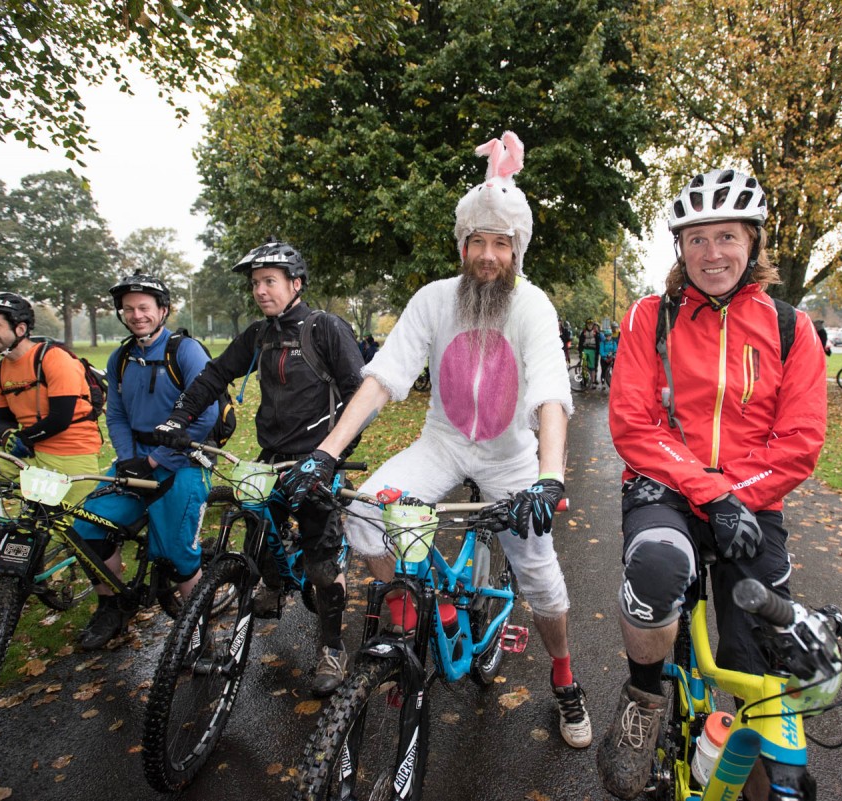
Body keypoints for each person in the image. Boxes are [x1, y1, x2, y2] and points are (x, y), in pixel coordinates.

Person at [279, 131, 592, 749]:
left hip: (511, 456)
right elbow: (381, 380)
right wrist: (325, 454)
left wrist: (549, 478)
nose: (487, 255)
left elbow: (551, 396)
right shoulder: (433, 300)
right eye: (477, 241)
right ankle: (409, 614)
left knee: (541, 577)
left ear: (517, 249)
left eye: (500, 243)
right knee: (365, 515)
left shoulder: (532, 306)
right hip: (442, 443)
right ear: (462, 245)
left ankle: (564, 678)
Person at [598, 168, 827, 800]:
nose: (712, 253)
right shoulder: (650, 317)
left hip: (753, 500)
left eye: (727, 236)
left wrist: (737, 497)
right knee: (657, 567)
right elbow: (634, 424)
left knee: (760, 666)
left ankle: (752, 772)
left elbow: (800, 441)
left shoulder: (790, 327)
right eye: (696, 239)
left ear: (753, 242)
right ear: (680, 249)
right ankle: (644, 697)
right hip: (664, 488)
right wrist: (711, 492)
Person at [152, 239, 365, 696]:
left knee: (322, 561)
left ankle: (332, 647)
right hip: (272, 455)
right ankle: (272, 579)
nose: (260, 291)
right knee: (255, 519)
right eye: (255, 284)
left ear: (296, 283)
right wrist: (178, 417)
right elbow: (215, 375)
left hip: (319, 457)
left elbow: (359, 397)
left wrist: (332, 456)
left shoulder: (325, 328)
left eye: (269, 281)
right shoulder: (259, 335)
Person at [68, 273, 219, 650]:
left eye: (144, 308)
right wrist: (129, 458)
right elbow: (117, 414)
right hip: (134, 459)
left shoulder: (185, 351)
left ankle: (200, 634)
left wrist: (155, 460)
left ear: (162, 310)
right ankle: (112, 606)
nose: (136, 315)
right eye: (129, 309)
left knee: (177, 555)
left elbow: (206, 413)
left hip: (183, 459)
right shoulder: (120, 357)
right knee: (85, 529)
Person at [0, 292, 104, 584]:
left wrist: (24, 437)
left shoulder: (54, 358)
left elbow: (61, 417)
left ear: (20, 328)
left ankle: (33, 570)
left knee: (48, 528)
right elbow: (0, 419)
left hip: (69, 451)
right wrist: (8, 435)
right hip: (22, 452)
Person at [599, 322, 619, 388]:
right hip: (604, 359)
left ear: (611, 335)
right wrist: (606, 356)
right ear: (605, 336)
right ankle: (603, 383)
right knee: (604, 371)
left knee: (614, 371)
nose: (608, 337)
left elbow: (615, 350)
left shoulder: (613, 342)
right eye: (607, 336)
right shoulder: (602, 343)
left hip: (611, 359)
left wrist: (612, 355)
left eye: (609, 335)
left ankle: (613, 382)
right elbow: (601, 351)